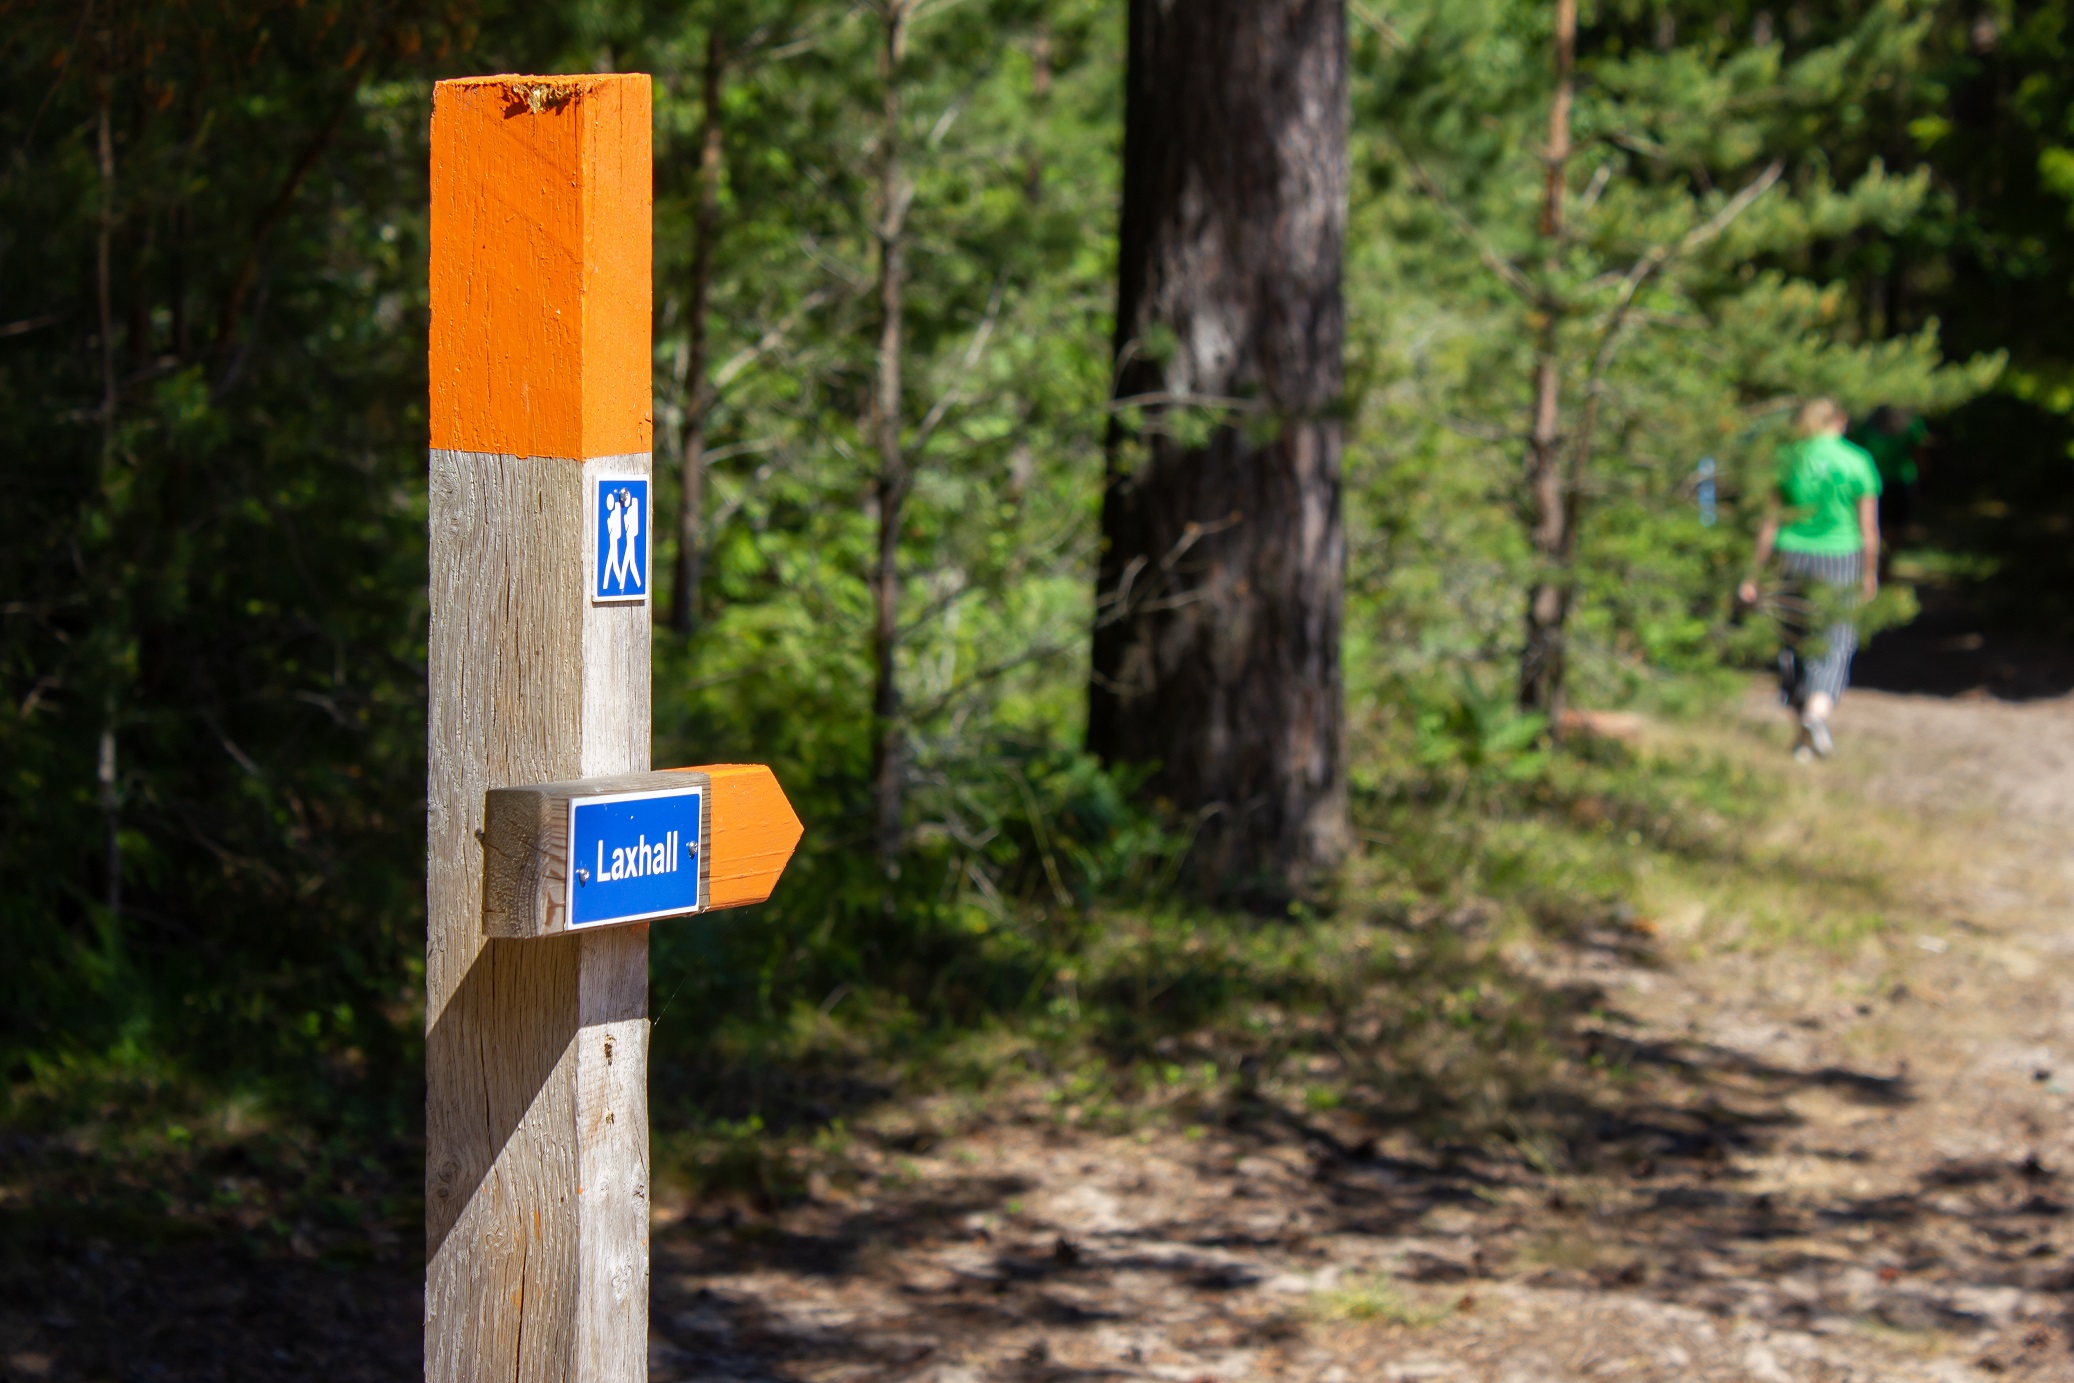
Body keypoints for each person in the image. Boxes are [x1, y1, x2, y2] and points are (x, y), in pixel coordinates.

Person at [1738, 398, 1881, 760]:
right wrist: (1869, 573)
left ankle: (1803, 738)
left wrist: (1754, 574)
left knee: (1793, 638)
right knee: (1836, 637)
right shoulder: (1857, 460)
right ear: (1841, 420)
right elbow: (1868, 528)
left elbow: (1769, 523)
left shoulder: (1788, 458)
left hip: (1792, 556)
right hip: (1840, 556)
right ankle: (1816, 714)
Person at [1848, 405, 1927, 580]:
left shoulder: (1865, 422)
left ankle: (1875, 567)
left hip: (1874, 483)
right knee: (1894, 529)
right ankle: (1882, 567)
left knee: (1871, 526)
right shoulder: (1911, 421)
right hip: (1897, 482)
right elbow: (1918, 452)